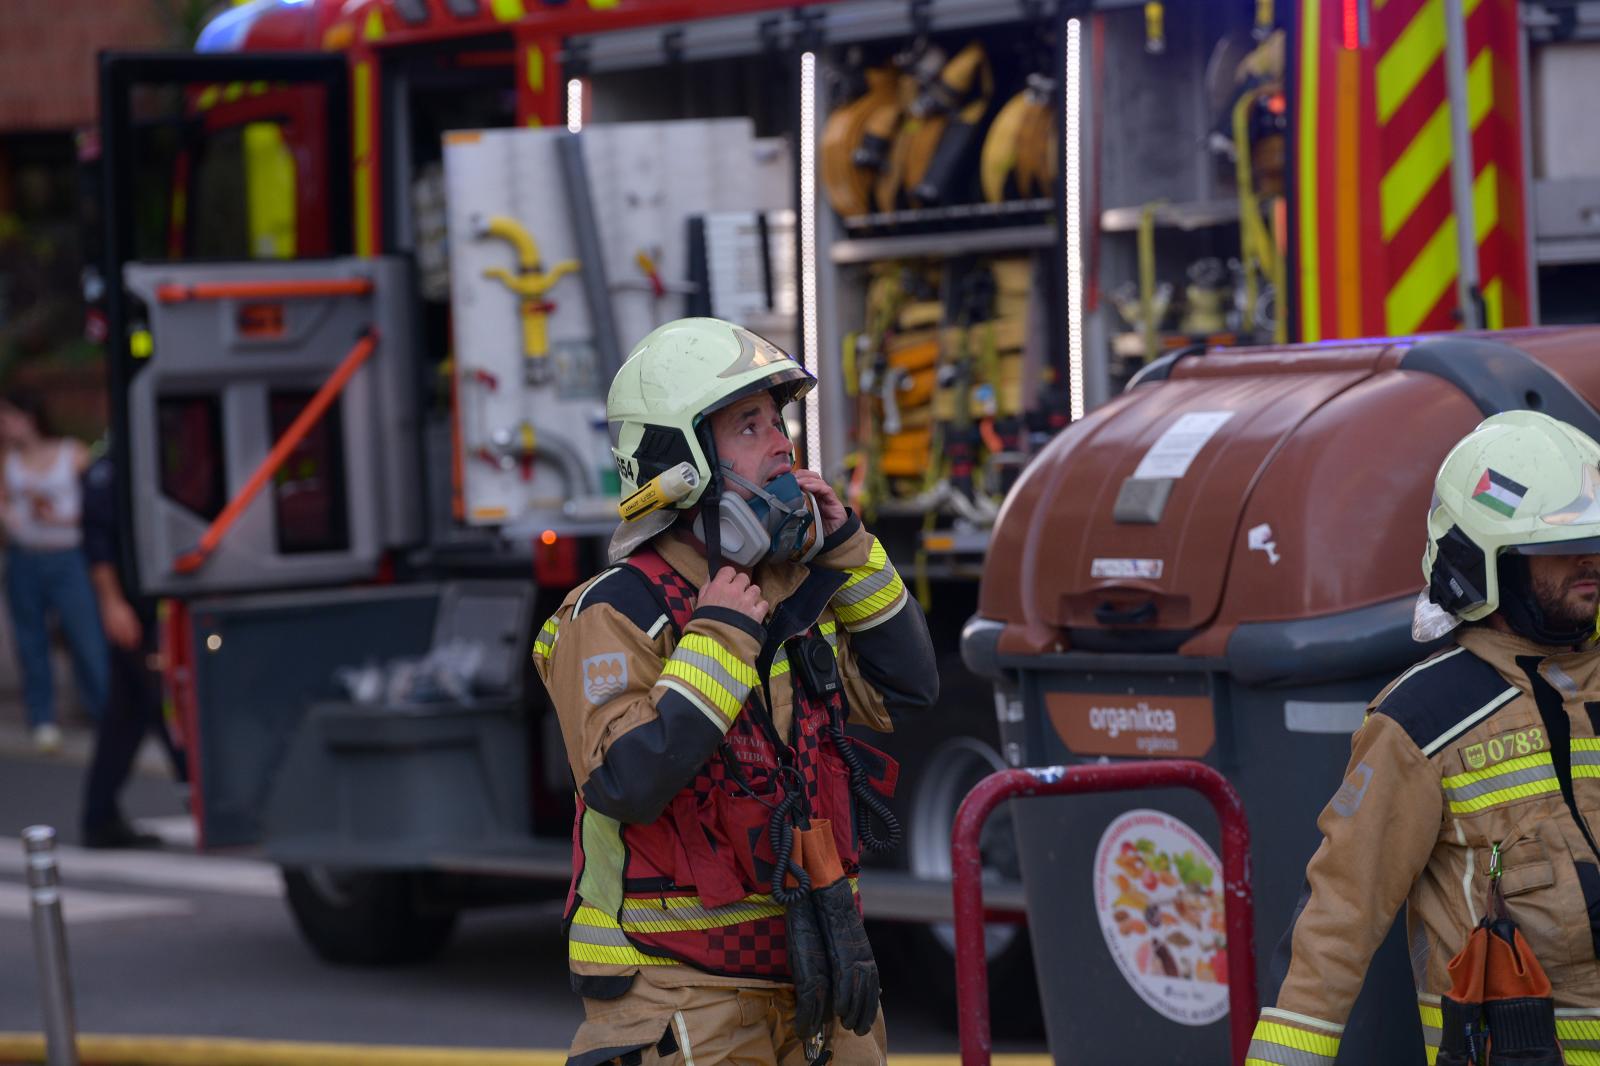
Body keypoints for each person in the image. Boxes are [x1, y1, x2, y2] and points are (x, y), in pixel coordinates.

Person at [532, 318, 938, 1066]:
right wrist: (718, 638)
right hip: (681, 995)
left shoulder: (791, 589)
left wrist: (849, 550)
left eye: (778, 421)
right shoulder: (614, 612)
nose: (782, 444)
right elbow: (626, 780)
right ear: (681, 463)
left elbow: (908, 688)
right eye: (749, 426)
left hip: (819, 977)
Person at [1247, 410, 1600, 1064]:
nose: (1590, 561)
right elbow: (1341, 917)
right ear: (1486, 564)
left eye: (1597, 541)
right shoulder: (1423, 718)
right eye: (1560, 545)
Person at [79, 449, 186, 848]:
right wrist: (111, 602)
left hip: (159, 602)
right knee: (164, 701)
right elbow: (98, 543)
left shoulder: (158, 452)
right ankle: (199, 793)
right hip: (134, 607)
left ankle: (100, 816)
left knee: (128, 714)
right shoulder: (109, 470)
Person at [0, 391, 107, 752]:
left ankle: (105, 712)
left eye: (8, 417)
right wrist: (12, 516)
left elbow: (97, 506)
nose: (4, 426)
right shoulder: (7, 458)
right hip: (25, 556)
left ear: (28, 416)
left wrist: (58, 517)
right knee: (30, 642)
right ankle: (42, 717)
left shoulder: (71, 452)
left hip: (67, 555)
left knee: (86, 635)